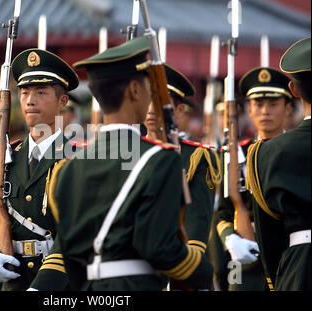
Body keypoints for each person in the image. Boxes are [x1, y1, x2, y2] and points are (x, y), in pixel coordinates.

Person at [40, 36, 213, 291]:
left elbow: (69, 255)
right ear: (134, 90)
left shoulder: (68, 168)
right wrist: (202, 272)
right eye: (146, 86)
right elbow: (158, 247)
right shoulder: (159, 159)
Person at [0, 48, 81, 291]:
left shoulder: (77, 160)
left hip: (58, 285)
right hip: (12, 282)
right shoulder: (1, 157)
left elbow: (75, 234)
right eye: (24, 92)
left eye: (41, 92)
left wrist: (43, 286)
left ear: (62, 101)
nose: (29, 100)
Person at [144, 64, 222, 290]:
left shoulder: (195, 157)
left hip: (176, 268)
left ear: (178, 111)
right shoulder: (126, 151)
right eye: (147, 100)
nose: (150, 109)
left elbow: (196, 227)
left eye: (159, 101)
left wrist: (182, 274)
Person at [216, 66, 294, 291]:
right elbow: (223, 212)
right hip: (246, 265)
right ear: (249, 109)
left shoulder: (296, 151)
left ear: (288, 108)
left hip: (286, 258)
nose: (265, 112)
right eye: (258, 105)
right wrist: (231, 238)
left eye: (273, 104)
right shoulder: (234, 155)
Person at [246, 37, 311, 291]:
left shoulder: (266, 153)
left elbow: (268, 234)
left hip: (299, 267)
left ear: (293, 91)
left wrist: (278, 280)